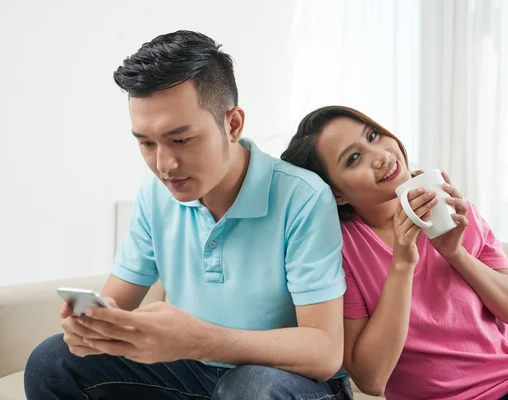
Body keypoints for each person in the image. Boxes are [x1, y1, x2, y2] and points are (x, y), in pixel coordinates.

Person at [24, 31, 353, 400]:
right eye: (146, 143)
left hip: (291, 382)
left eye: (180, 140)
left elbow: (324, 352)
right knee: (52, 361)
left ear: (232, 124)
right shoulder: (155, 196)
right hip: (195, 374)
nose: (164, 165)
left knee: (250, 388)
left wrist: (199, 340)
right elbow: (117, 304)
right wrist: (94, 329)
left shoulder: (303, 197)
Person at [281, 105, 508, 400]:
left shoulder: (453, 209)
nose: (380, 156)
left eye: (373, 136)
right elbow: (372, 379)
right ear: (337, 194)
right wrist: (402, 263)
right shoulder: (337, 251)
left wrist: (457, 254)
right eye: (353, 158)